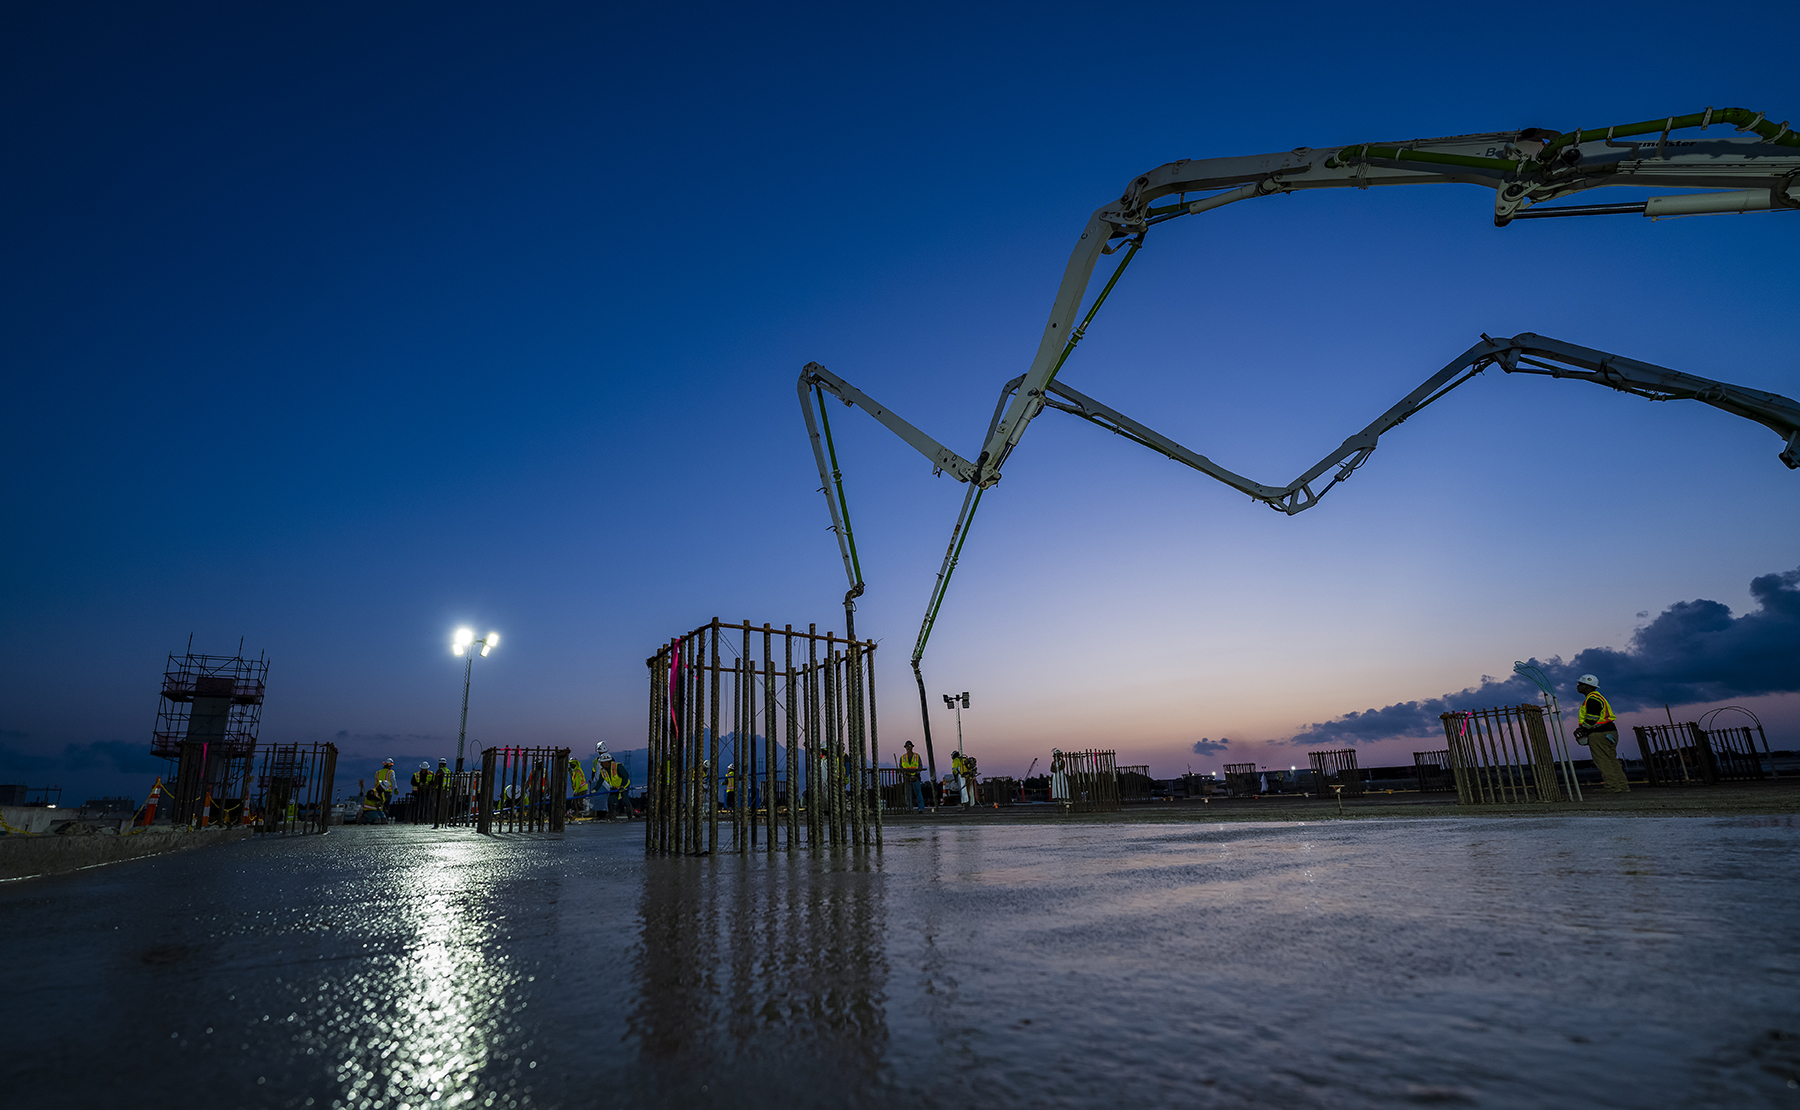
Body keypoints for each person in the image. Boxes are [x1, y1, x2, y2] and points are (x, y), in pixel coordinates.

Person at [1573, 673, 1631, 794]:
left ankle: (1612, 786)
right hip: (1610, 732)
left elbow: (1592, 717)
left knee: (1602, 760)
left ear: (1588, 686)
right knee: (1611, 759)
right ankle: (1622, 785)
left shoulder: (1592, 698)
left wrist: (1583, 729)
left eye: (1580, 684)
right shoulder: (1598, 697)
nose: (1577, 686)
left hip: (1599, 733)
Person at [899, 741, 925, 812]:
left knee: (918, 794)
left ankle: (921, 808)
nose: (908, 747)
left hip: (915, 778)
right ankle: (909, 808)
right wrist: (905, 774)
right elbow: (901, 767)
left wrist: (917, 775)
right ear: (905, 747)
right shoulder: (902, 757)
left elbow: (920, 766)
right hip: (907, 778)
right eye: (907, 746)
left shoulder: (917, 756)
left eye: (909, 746)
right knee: (907, 794)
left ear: (912, 747)